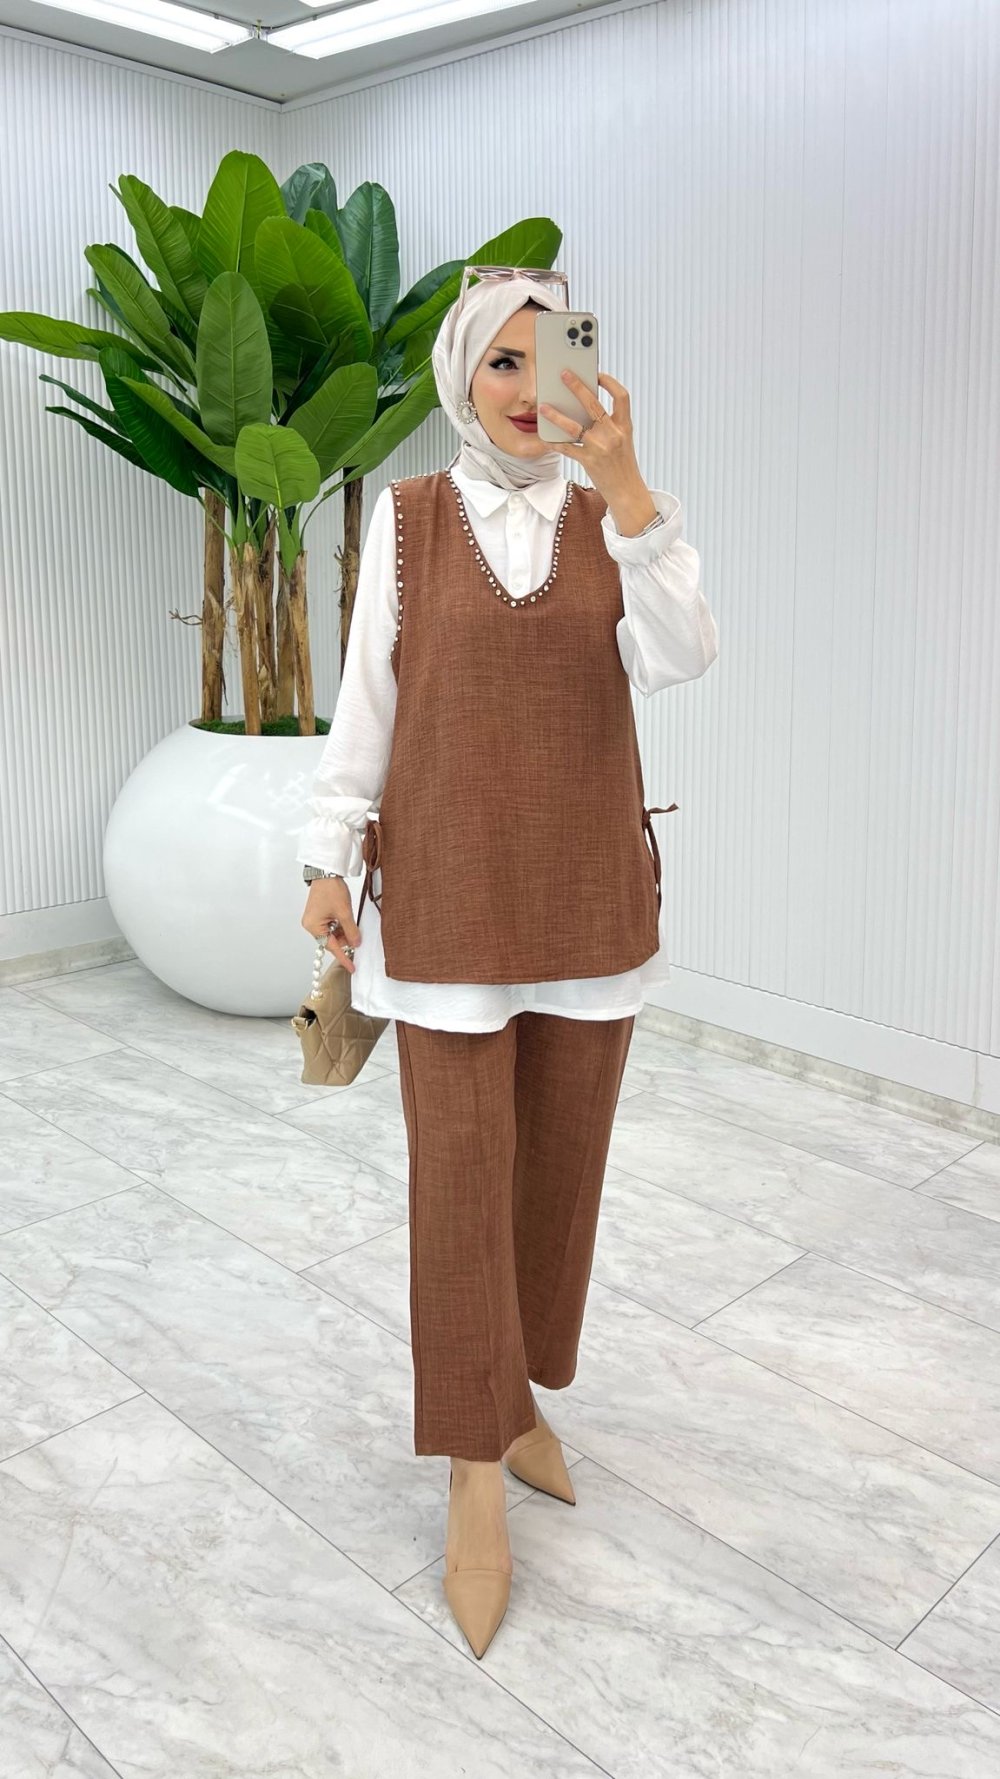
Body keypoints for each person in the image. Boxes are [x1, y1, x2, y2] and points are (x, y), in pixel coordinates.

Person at [298, 270, 719, 1659]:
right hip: (451, 902)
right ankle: (474, 1474)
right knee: (461, 1181)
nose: (535, 390)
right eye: (505, 363)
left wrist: (631, 485)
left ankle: (522, 1397)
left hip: (589, 900)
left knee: (559, 1176)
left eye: (557, 359)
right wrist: (328, 857)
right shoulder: (408, 519)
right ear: (463, 379)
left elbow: (685, 656)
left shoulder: (615, 523)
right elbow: (368, 705)